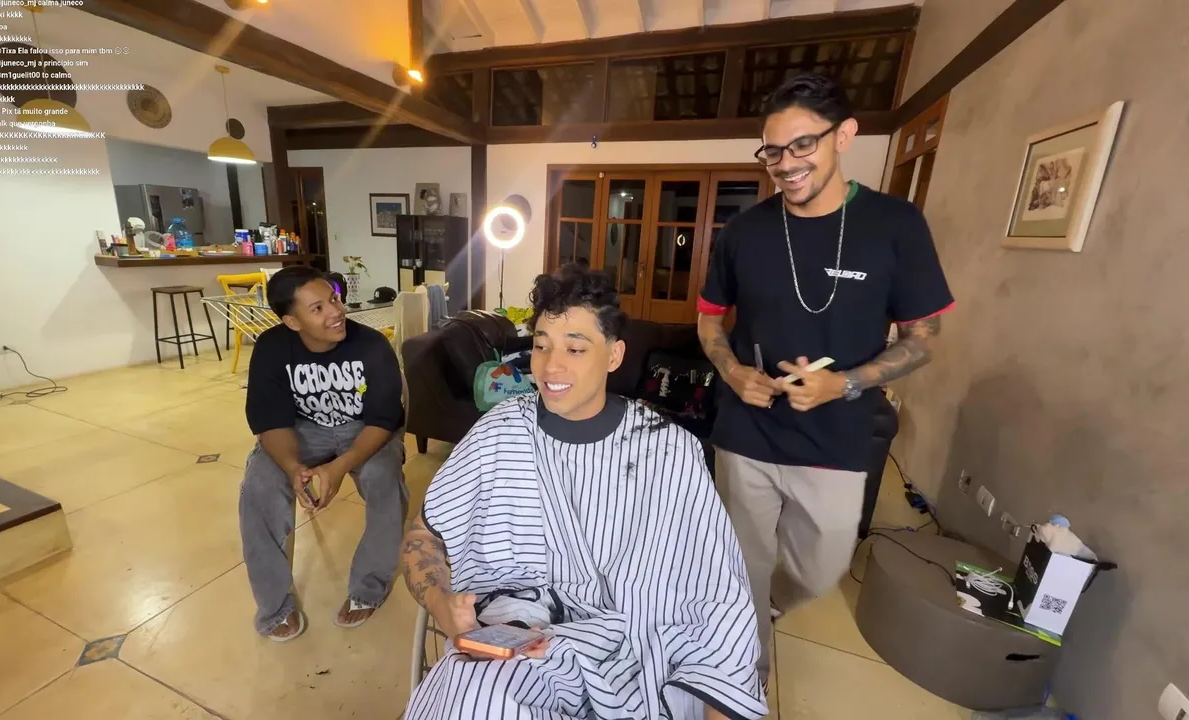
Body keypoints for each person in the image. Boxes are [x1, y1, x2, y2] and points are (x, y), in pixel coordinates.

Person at [402, 265, 767, 720]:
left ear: (614, 355)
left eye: (575, 348)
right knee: (473, 700)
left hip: (639, 642)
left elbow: (717, 594)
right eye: (541, 345)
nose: (551, 365)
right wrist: (442, 604)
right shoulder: (500, 432)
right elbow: (422, 536)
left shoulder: (668, 450)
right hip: (518, 636)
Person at [697, 73, 954, 683]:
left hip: (838, 433)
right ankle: (744, 673)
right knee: (741, 566)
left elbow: (924, 339)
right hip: (747, 430)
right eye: (772, 151)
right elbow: (708, 321)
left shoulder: (896, 225)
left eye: (802, 145)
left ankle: (771, 604)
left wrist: (845, 384)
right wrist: (733, 371)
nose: (786, 164)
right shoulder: (745, 231)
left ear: (844, 135)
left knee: (820, 567)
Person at [239, 265, 406, 641]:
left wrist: (338, 467)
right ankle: (274, 605)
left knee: (383, 479)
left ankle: (369, 587)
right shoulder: (272, 349)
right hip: (302, 431)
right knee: (260, 485)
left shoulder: (371, 345)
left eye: (334, 299)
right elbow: (269, 421)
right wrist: (293, 467)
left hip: (365, 429)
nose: (336, 312)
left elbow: (384, 419)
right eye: (318, 308)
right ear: (292, 321)